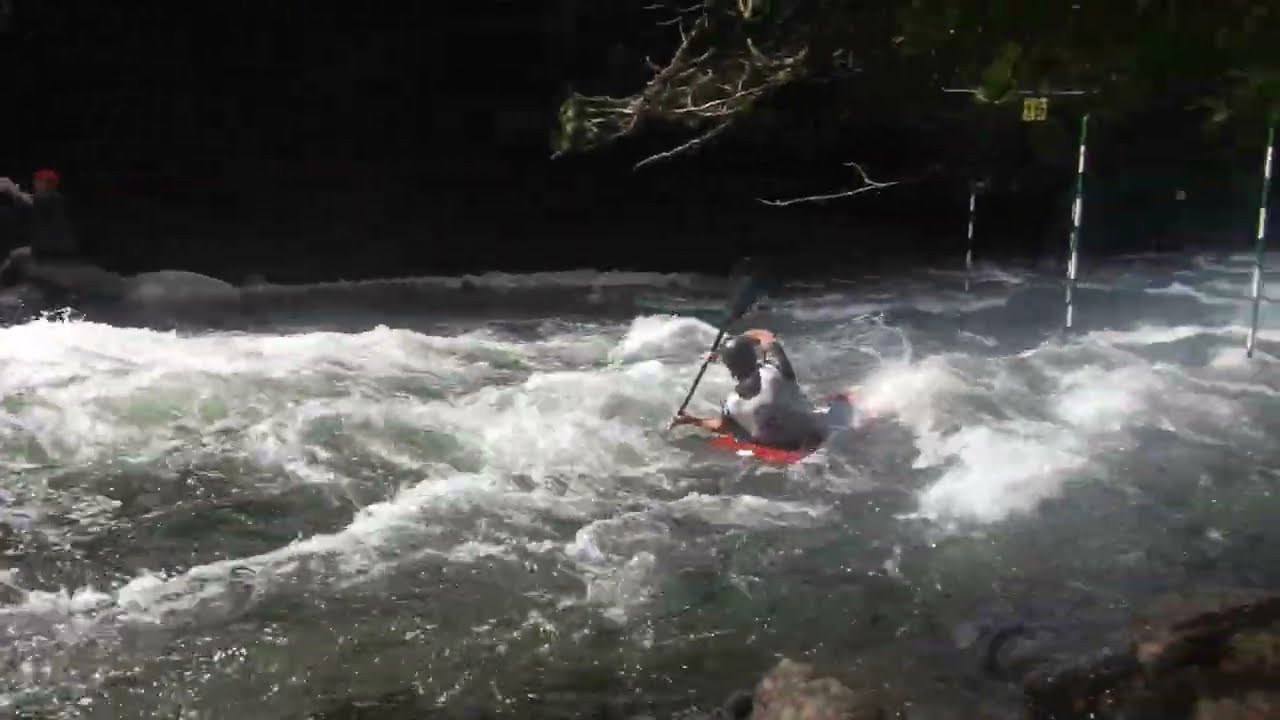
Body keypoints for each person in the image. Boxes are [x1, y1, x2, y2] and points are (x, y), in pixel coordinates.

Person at [672, 328, 829, 451]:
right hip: (811, 434)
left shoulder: (732, 404)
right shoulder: (776, 371)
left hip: (777, 445)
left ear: (730, 368)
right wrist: (737, 342)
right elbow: (764, 335)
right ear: (753, 356)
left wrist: (691, 420)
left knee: (740, 430)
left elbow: (721, 427)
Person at [0, 168, 80, 288]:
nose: (35, 183)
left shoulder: (53, 197)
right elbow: (27, 198)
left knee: (15, 257)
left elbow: (30, 201)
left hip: (53, 246)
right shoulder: (44, 196)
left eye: (38, 181)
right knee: (15, 256)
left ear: (46, 183)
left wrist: (12, 189)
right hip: (47, 245)